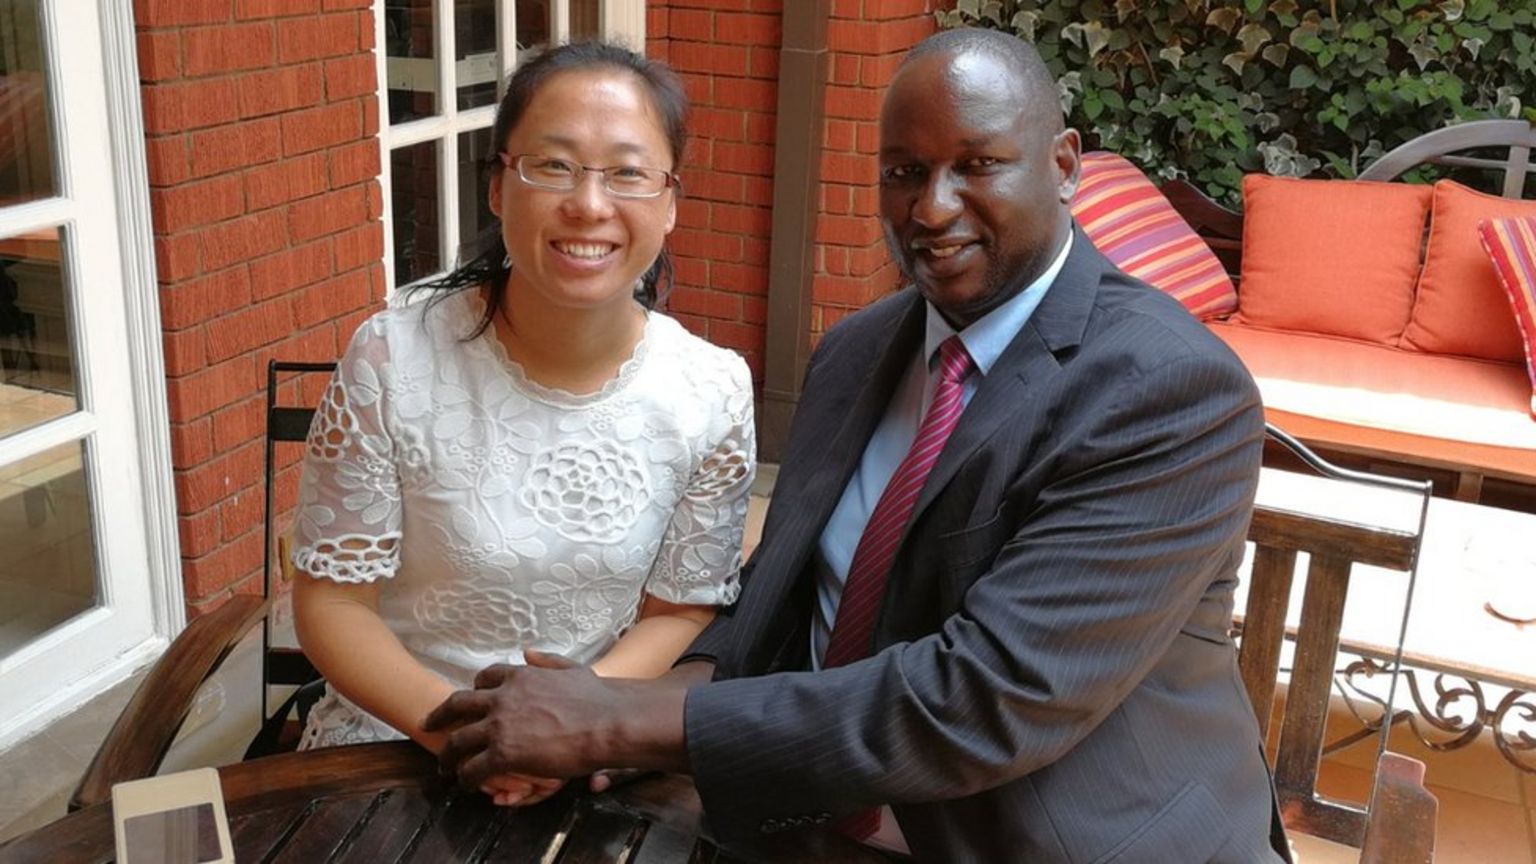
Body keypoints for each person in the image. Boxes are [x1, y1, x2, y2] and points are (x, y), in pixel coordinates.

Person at [425, 29, 1291, 863]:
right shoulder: (856, 354)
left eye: (978, 165)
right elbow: (779, 604)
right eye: (904, 173)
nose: (933, 207)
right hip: (810, 826)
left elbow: (985, 697)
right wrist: (615, 722)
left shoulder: (1167, 389)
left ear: (1064, 167)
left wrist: (617, 722)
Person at [288, 41, 755, 807]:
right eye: (555, 165)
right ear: (500, 186)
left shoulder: (712, 391)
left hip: (592, 758)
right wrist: (471, 737)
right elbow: (333, 602)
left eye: (627, 173)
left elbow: (682, 609)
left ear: (670, 202)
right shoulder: (392, 359)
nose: (590, 204)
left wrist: (566, 730)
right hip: (395, 742)